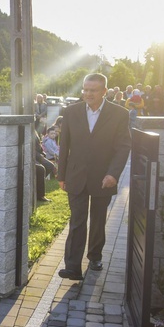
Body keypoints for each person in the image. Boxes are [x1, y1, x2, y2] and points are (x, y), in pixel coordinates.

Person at [57, 73, 131, 280]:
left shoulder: (119, 114)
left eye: (93, 90)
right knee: (77, 221)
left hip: (103, 177)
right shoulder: (71, 112)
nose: (88, 94)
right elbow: (65, 146)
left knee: (98, 220)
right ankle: (72, 266)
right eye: (85, 89)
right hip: (76, 176)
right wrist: (61, 174)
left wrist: (113, 174)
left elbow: (123, 147)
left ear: (104, 92)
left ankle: (95, 256)